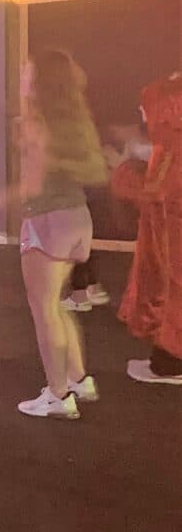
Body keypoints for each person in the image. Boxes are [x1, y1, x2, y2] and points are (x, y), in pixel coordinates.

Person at [15, 51, 108, 419]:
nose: (22, 78)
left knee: (44, 310)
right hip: (76, 218)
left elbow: (31, 185)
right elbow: (96, 170)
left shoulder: (37, 123)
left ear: (40, 82)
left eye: (27, 73)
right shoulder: (76, 120)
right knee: (57, 304)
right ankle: (78, 379)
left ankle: (58, 394)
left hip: (47, 221)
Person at [119, 72, 182, 385]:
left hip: (171, 238)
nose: (142, 112)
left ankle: (169, 363)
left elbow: (156, 193)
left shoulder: (171, 148)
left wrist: (121, 175)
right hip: (169, 232)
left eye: (147, 107)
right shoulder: (168, 145)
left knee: (170, 294)